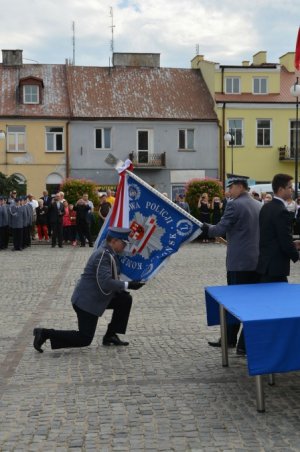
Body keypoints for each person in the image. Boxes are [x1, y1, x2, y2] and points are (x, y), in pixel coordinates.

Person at [33, 227, 145, 353]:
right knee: (84, 339)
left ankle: (110, 335)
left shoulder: (110, 252)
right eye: (123, 243)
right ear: (114, 241)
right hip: (87, 302)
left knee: (124, 299)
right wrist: (128, 285)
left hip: (98, 297)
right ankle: (44, 333)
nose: (125, 246)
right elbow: (106, 282)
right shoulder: (103, 255)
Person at [201, 177, 262, 355]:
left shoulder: (234, 205)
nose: (229, 191)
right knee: (250, 303)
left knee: (235, 303)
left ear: (240, 187)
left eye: (231, 187)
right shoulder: (259, 205)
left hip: (239, 262)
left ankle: (229, 340)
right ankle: (240, 341)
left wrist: (203, 227)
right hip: (255, 261)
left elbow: (219, 229)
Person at [256, 173, 300, 283]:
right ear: (281, 189)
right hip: (276, 267)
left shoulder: (266, 207)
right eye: (289, 187)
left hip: (265, 264)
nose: (292, 190)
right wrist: (296, 255)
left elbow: (271, 236)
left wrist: (293, 243)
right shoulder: (281, 211)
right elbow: (284, 239)